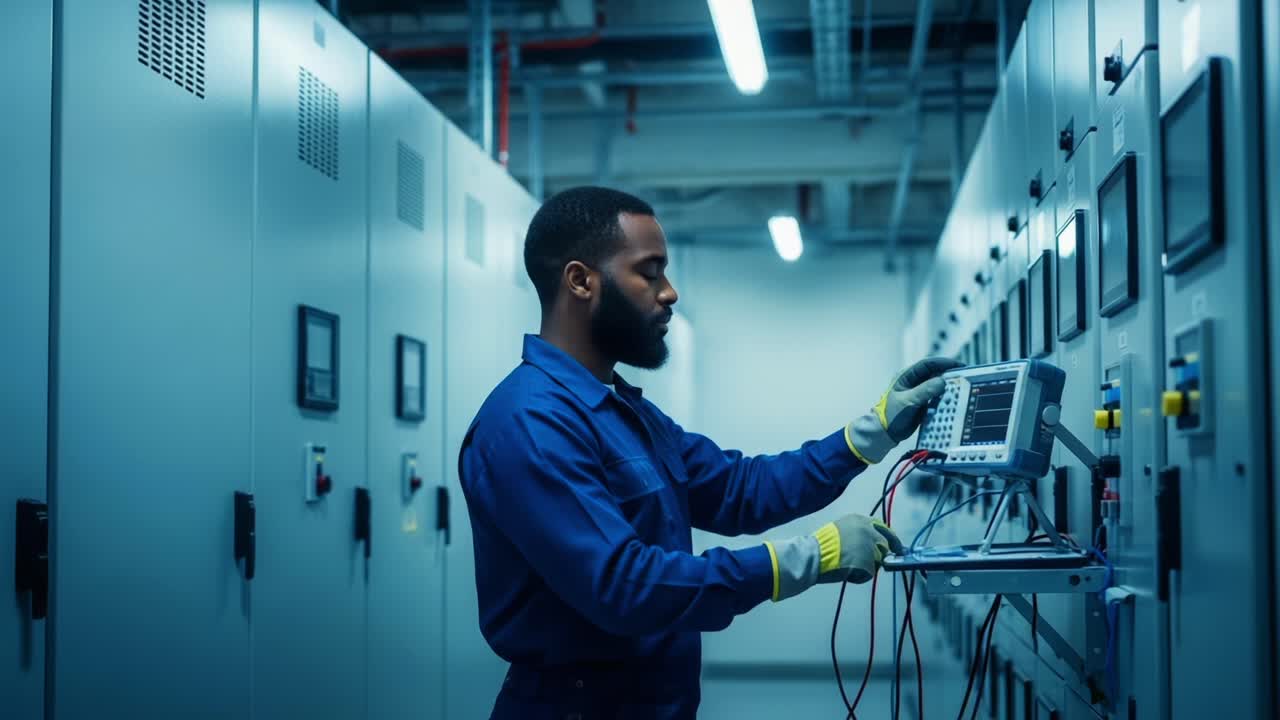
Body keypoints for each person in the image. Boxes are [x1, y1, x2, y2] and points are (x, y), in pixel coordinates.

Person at [458, 186, 960, 719]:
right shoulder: (530, 423)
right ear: (581, 281)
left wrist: (872, 432)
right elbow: (624, 584)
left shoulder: (623, 412)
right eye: (649, 273)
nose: (669, 293)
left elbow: (741, 490)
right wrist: (805, 559)